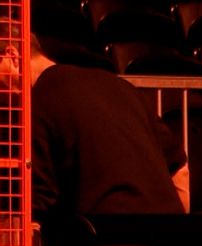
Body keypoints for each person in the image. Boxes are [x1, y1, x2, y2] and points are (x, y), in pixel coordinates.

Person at [7, 33, 190, 218]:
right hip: (167, 228)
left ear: (12, 56)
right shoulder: (120, 85)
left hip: (106, 230)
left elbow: (38, 201)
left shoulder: (38, 100)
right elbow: (180, 169)